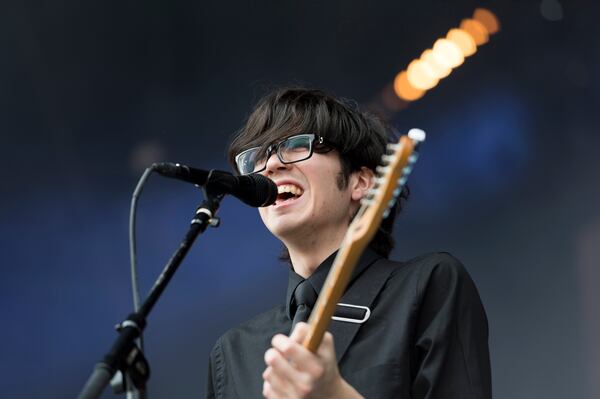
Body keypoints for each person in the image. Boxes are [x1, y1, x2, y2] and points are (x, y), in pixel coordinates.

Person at [206, 87, 491, 399]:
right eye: (258, 156)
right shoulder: (233, 352)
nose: (271, 166)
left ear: (361, 182)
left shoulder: (428, 286)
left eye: (295, 145)